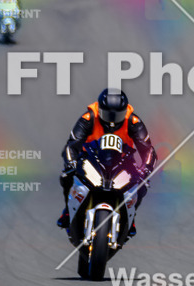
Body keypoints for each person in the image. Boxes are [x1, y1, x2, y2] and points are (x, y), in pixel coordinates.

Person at [57, 88, 157, 236]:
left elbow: (148, 149)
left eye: (117, 115)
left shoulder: (133, 121)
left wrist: (146, 168)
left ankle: (131, 217)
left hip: (123, 161)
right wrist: (71, 163)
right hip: (91, 157)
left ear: (125, 111)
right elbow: (72, 144)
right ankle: (67, 211)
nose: (112, 120)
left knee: (142, 185)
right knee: (66, 177)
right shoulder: (89, 117)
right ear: (100, 109)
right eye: (107, 114)